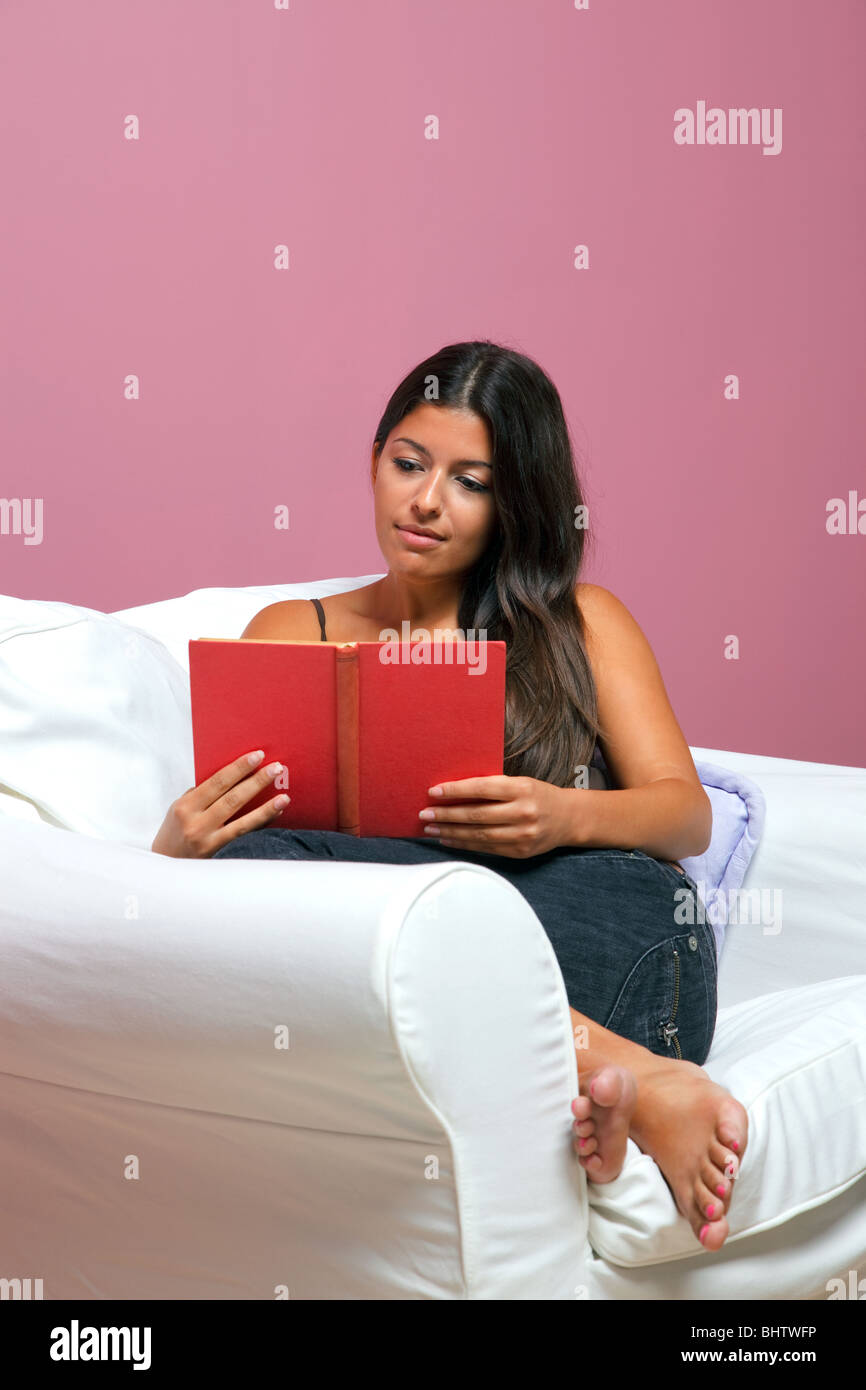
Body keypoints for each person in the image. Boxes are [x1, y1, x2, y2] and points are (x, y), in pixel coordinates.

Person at [152, 340, 747, 1250]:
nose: (426, 501)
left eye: (471, 481)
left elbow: (685, 812)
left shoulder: (581, 621)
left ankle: (605, 1067)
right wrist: (178, 846)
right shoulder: (292, 632)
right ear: (376, 463)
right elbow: (258, 880)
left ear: (516, 504)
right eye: (408, 464)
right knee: (260, 876)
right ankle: (626, 1084)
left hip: (609, 936)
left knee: (486, 926)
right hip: (403, 967)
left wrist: (563, 814)